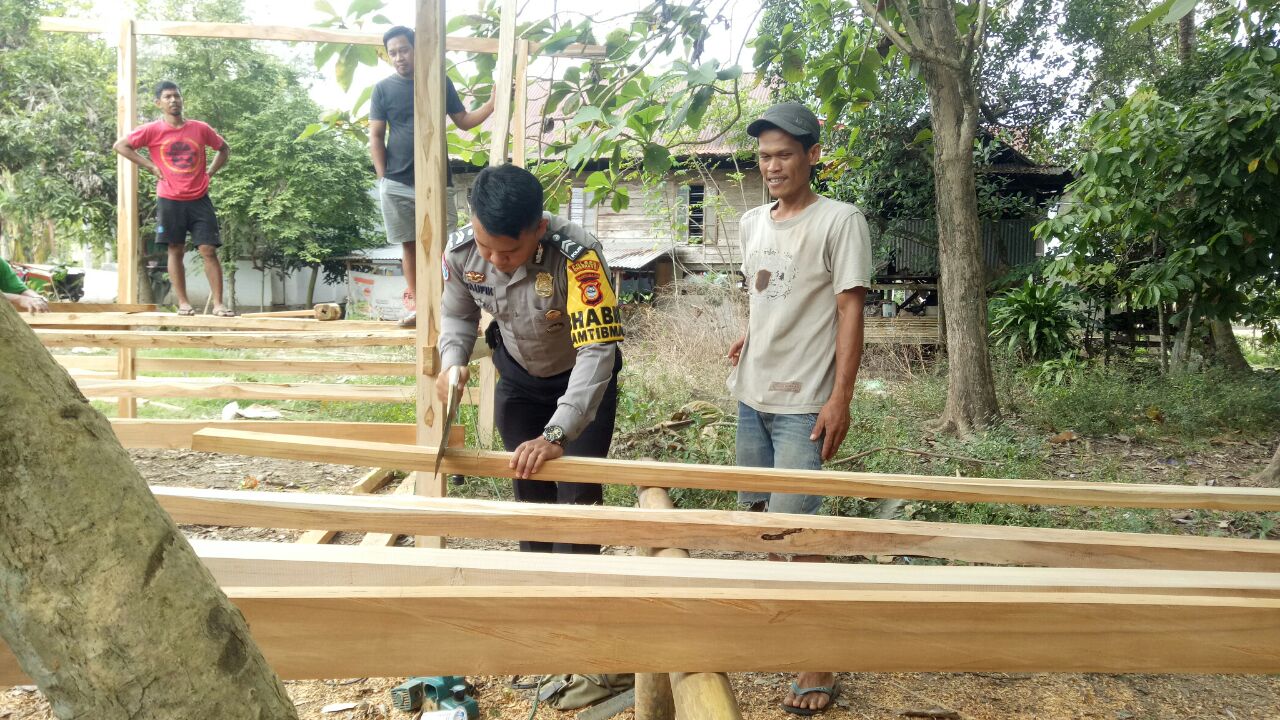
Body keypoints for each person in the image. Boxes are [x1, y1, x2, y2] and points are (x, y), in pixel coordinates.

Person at [726, 101, 871, 716]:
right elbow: (765, 296)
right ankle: (786, 622)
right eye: (764, 157)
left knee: (800, 529)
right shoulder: (753, 222)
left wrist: (840, 398)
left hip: (803, 404)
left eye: (785, 154)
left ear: (813, 156)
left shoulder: (840, 221)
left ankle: (819, 655)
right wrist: (748, 333)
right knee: (761, 521)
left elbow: (849, 310)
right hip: (750, 394)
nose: (773, 166)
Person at [437, 163, 623, 554]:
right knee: (528, 485)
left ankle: (573, 598)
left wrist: (557, 433)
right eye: (486, 248)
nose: (495, 260)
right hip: (520, 380)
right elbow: (457, 314)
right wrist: (453, 361)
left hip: (580, 381)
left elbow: (596, 350)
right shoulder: (460, 252)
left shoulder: (579, 255)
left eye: (508, 252)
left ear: (538, 229)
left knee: (578, 497)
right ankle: (534, 584)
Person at [371, 25, 495, 328]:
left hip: (438, 180)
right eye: (393, 53)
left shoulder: (439, 81)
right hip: (397, 182)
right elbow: (376, 135)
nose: (399, 57)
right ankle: (416, 302)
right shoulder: (383, 89)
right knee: (410, 245)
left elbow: (464, 121)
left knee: (447, 244)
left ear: (417, 49)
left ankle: (448, 304)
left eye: (404, 50)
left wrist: (494, 103)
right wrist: (383, 177)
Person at [113, 81, 231, 317]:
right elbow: (121, 146)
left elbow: (224, 148)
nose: (173, 100)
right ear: (159, 103)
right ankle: (184, 303)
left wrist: (209, 173)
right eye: (167, 97)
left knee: (208, 249)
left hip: (199, 198)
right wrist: (149, 166)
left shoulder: (200, 128)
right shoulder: (152, 130)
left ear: (182, 99)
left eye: (176, 96)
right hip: (169, 198)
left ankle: (218, 304)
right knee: (175, 249)